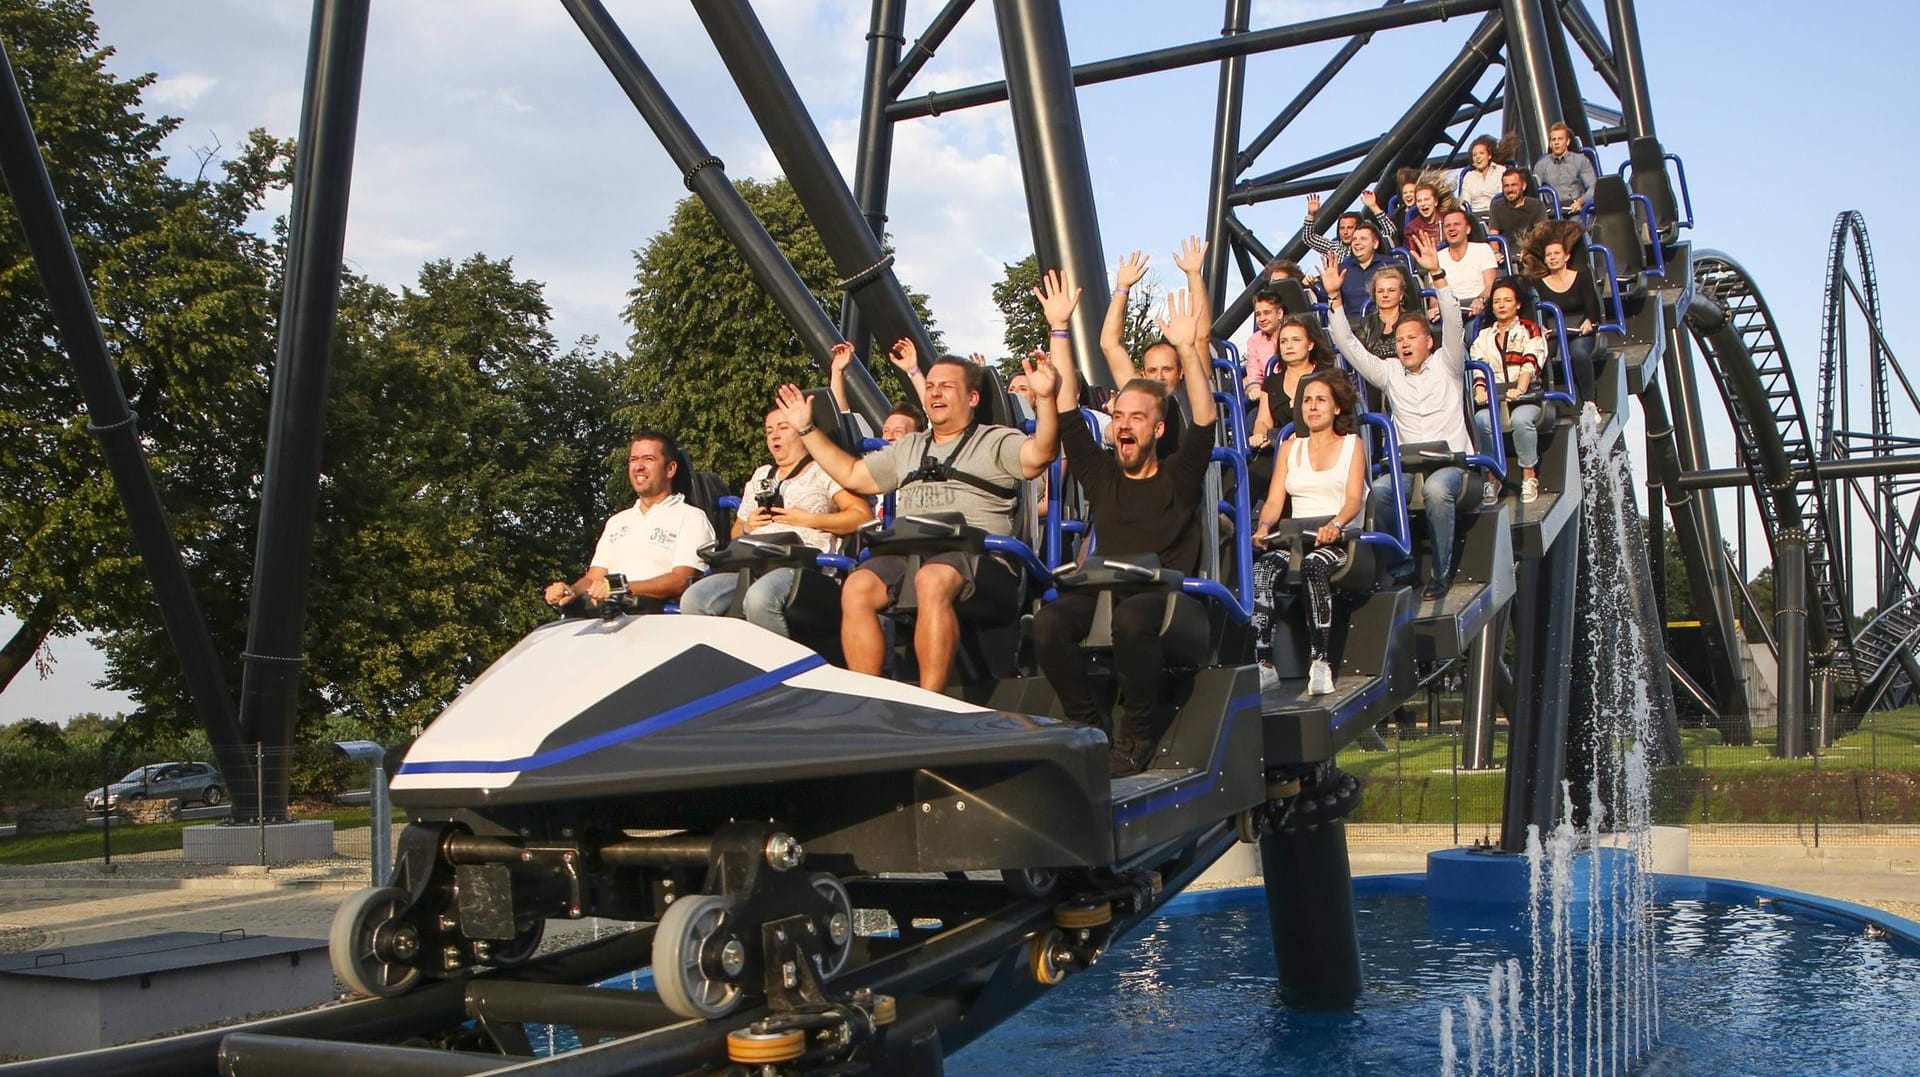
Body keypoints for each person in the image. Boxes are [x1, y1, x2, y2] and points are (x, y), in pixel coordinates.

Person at [772, 352, 1061, 691]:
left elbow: (1041, 454)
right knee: (857, 587)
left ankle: (929, 700)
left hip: (981, 561)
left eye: (947, 387)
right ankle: (870, 698)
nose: (936, 393)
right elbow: (852, 474)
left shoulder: (995, 439)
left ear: (972, 398)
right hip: (907, 555)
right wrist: (806, 429)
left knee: (931, 579)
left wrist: (1045, 399)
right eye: (932, 386)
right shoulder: (908, 446)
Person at [1028, 270, 1218, 776]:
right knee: (1047, 623)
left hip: (1164, 590)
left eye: (1137, 417)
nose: (1125, 424)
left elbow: (1203, 419)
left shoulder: (1180, 473)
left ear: (1156, 428)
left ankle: (1135, 737)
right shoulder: (1101, 472)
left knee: (1132, 619)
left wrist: (1189, 350)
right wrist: (1060, 330)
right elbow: (1067, 407)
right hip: (1105, 584)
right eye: (1120, 417)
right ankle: (1087, 725)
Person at [1321, 234, 1478, 600]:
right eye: (1401, 339)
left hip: (1452, 462)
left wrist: (1437, 275)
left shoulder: (1447, 363)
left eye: (1412, 338)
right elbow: (1352, 349)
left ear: (1428, 342)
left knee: (1438, 491)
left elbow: (1453, 322)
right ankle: (1402, 564)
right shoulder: (1391, 371)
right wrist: (1334, 299)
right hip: (1408, 465)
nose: (1404, 344)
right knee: (1380, 490)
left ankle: (1440, 573)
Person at [678, 402, 874, 634]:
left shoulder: (824, 470)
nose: (774, 436)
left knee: (760, 597)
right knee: (693, 599)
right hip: (753, 566)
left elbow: (862, 517)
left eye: (782, 428)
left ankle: (782, 666)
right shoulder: (762, 474)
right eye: (769, 431)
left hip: (804, 566)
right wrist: (748, 525)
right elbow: (736, 532)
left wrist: (809, 520)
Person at [1251, 374, 1366, 697]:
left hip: (1337, 537)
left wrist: (1337, 524)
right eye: (1307, 401)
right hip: (1296, 535)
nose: (1313, 407)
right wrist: (1263, 527)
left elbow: (1354, 499)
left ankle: (1321, 661)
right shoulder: (1290, 447)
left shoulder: (1351, 445)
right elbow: (1275, 500)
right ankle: (1264, 664)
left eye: (1320, 400)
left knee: (1315, 566)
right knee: (1262, 569)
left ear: (1337, 407)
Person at [543, 431, 716, 611]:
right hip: (606, 616)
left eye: (648, 459)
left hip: (654, 618)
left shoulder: (691, 518)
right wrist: (570, 591)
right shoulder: (617, 522)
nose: (638, 466)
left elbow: (681, 581)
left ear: (670, 469)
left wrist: (619, 588)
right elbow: (593, 577)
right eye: (634, 459)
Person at [1469, 278, 1551, 506]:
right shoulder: (1484, 336)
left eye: (1507, 300)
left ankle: (1528, 474)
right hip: (1495, 397)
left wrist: (1520, 388)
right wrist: (1480, 389)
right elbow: (1478, 365)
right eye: (1496, 301)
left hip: (1525, 394)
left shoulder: (1529, 329)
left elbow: (1531, 361)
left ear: (1517, 304)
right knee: (1482, 419)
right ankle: (1492, 477)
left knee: (1521, 419)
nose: (1501, 305)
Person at [1102, 237, 1212, 392]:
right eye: (1152, 370)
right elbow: (1110, 345)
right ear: (1143, 374)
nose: (1159, 377)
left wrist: (1194, 275)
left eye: (1167, 369)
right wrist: (1122, 288)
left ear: (1181, 372)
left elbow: (1201, 337)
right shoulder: (1139, 395)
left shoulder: (1193, 391)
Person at [1524, 220, 1604, 402]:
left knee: (1579, 353)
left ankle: (1590, 403)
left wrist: (1589, 321)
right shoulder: (1538, 284)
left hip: (1579, 329)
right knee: (1539, 353)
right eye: (1549, 255)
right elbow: (1539, 314)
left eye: (1556, 254)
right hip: (1553, 331)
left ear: (1566, 256)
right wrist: (1542, 328)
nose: (1552, 258)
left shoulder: (1582, 277)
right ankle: (1544, 401)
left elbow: (1592, 308)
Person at [830, 337, 926, 415]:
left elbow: (933, 409)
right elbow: (842, 419)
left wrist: (913, 371)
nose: (890, 435)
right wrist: (837, 371)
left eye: (898, 431)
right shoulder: (869, 439)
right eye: (886, 430)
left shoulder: (925, 437)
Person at [1298, 190, 1399, 263]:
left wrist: (1373, 207)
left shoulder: (1369, 242)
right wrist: (1311, 215)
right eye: (1342, 228)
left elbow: (1390, 231)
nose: (1345, 232)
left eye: (1350, 228)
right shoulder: (1335, 248)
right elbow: (1309, 238)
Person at [1437, 207, 1501, 322]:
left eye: (1456, 224)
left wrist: (1480, 299)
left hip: (1477, 306)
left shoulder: (1483, 250)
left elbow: (1490, 286)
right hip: (1449, 309)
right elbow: (1434, 291)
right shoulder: (1438, 257)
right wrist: (1434, 307)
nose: (1451, 229)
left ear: (1467, 229)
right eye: (1447, 226)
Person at [1355, 265, 1417, 361]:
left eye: (1391, 290)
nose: (1385, 295)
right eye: (1380, 291)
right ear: (1374, 294)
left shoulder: (1412, 322)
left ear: (1401, 294)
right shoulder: (1366, 324)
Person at [1333, 220, 1391, 322]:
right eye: (1354, 239)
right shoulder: (1341, 269)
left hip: (1383, 320)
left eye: (1363, 239)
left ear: (1375, 243)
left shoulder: (1391, 265)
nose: (1357, 243)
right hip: (1350, 326)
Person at [1534, 122, 1596, 214]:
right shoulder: (1541, 165)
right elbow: (1535, 191)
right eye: (1553, 140)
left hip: (1576, 209)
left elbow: (1593, 187)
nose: (1556, 143)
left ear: (1567, 142)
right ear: (1550, 143)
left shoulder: (1580, 160)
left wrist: (1581, 202)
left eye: (1560, 139)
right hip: (1552, 212)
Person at [1487, 167, 1548, 240]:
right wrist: (1496, 251)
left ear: (1523, 186)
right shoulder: (1497, 206)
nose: (1510, 190)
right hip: (1506, 249)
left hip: (1531, 249)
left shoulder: (1537, 206)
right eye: (1506, 186)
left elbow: (1541, 236)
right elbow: (1494, 238)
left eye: (1513, 185)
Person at [1456, 134, 1508, 216]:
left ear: (1489, 155)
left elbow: (1502, 196)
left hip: (1497, 214)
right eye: (1474, 155)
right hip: (1474, 216)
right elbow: (1465, 201)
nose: (1478, 157)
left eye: (1481, 153)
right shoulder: (1469, 176)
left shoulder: (1500, 171)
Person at [1402, 180, 1448, 253]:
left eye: (1426, 199)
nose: (1423, 204)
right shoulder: (1412, 228)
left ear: (1435, 202)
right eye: (1419, 201)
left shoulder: (1447, 220)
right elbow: (1412, 256)